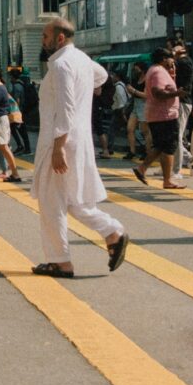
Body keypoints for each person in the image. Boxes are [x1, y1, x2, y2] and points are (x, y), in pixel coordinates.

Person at [31, 18, 128, 278]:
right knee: (74, 200)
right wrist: (88, 88)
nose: (42, 40)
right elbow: (102, 76)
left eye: (45, 36)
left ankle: (60, 261)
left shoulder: (62, 65)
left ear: (60, 38)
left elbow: (66, 108)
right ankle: (112, 232)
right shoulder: (83, 60)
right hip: (78, 140)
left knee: (52, 202)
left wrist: (58, 147)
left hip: (61, 141)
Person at [133, 48, 187, 189]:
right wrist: (176, 93)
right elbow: (157, 92)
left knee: (160, 146)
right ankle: (167, 180)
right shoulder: (158, 71)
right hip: (165, 115)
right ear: (163, 58)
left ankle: (142, 169)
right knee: (169, 147)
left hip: (159, 114)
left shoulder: (155, 70)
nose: (172, 61)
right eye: (170, 59)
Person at [170, 41, 193, 178]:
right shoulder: (183, 62)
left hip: (182, 102)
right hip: (181, 102)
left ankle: (176, 170)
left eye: (174, 47)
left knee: (177, 135)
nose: (172, 50)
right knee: (173, 135)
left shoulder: (184, 62)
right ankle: (187, 158)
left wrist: (173, 55)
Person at [125, 63, 149, 159]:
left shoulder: (147, 80)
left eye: (136, 69)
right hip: (136, 105)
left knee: (145, 131)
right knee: (130, 129)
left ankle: (147, 152)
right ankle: (132, 151)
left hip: (144, 105)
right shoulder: (136, 79)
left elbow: (146, 95)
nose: (135, 71)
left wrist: (134, 91)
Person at [7, 69, 29, 155]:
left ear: (12, 77)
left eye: (10, 76)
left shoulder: (16, 86)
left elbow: (17, 100)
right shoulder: (21, 84)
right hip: (22, 110)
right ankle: (26, 148)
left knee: (14, 128)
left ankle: (21, 146)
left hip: (18, 111)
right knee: (22, 129)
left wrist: (15, 111)